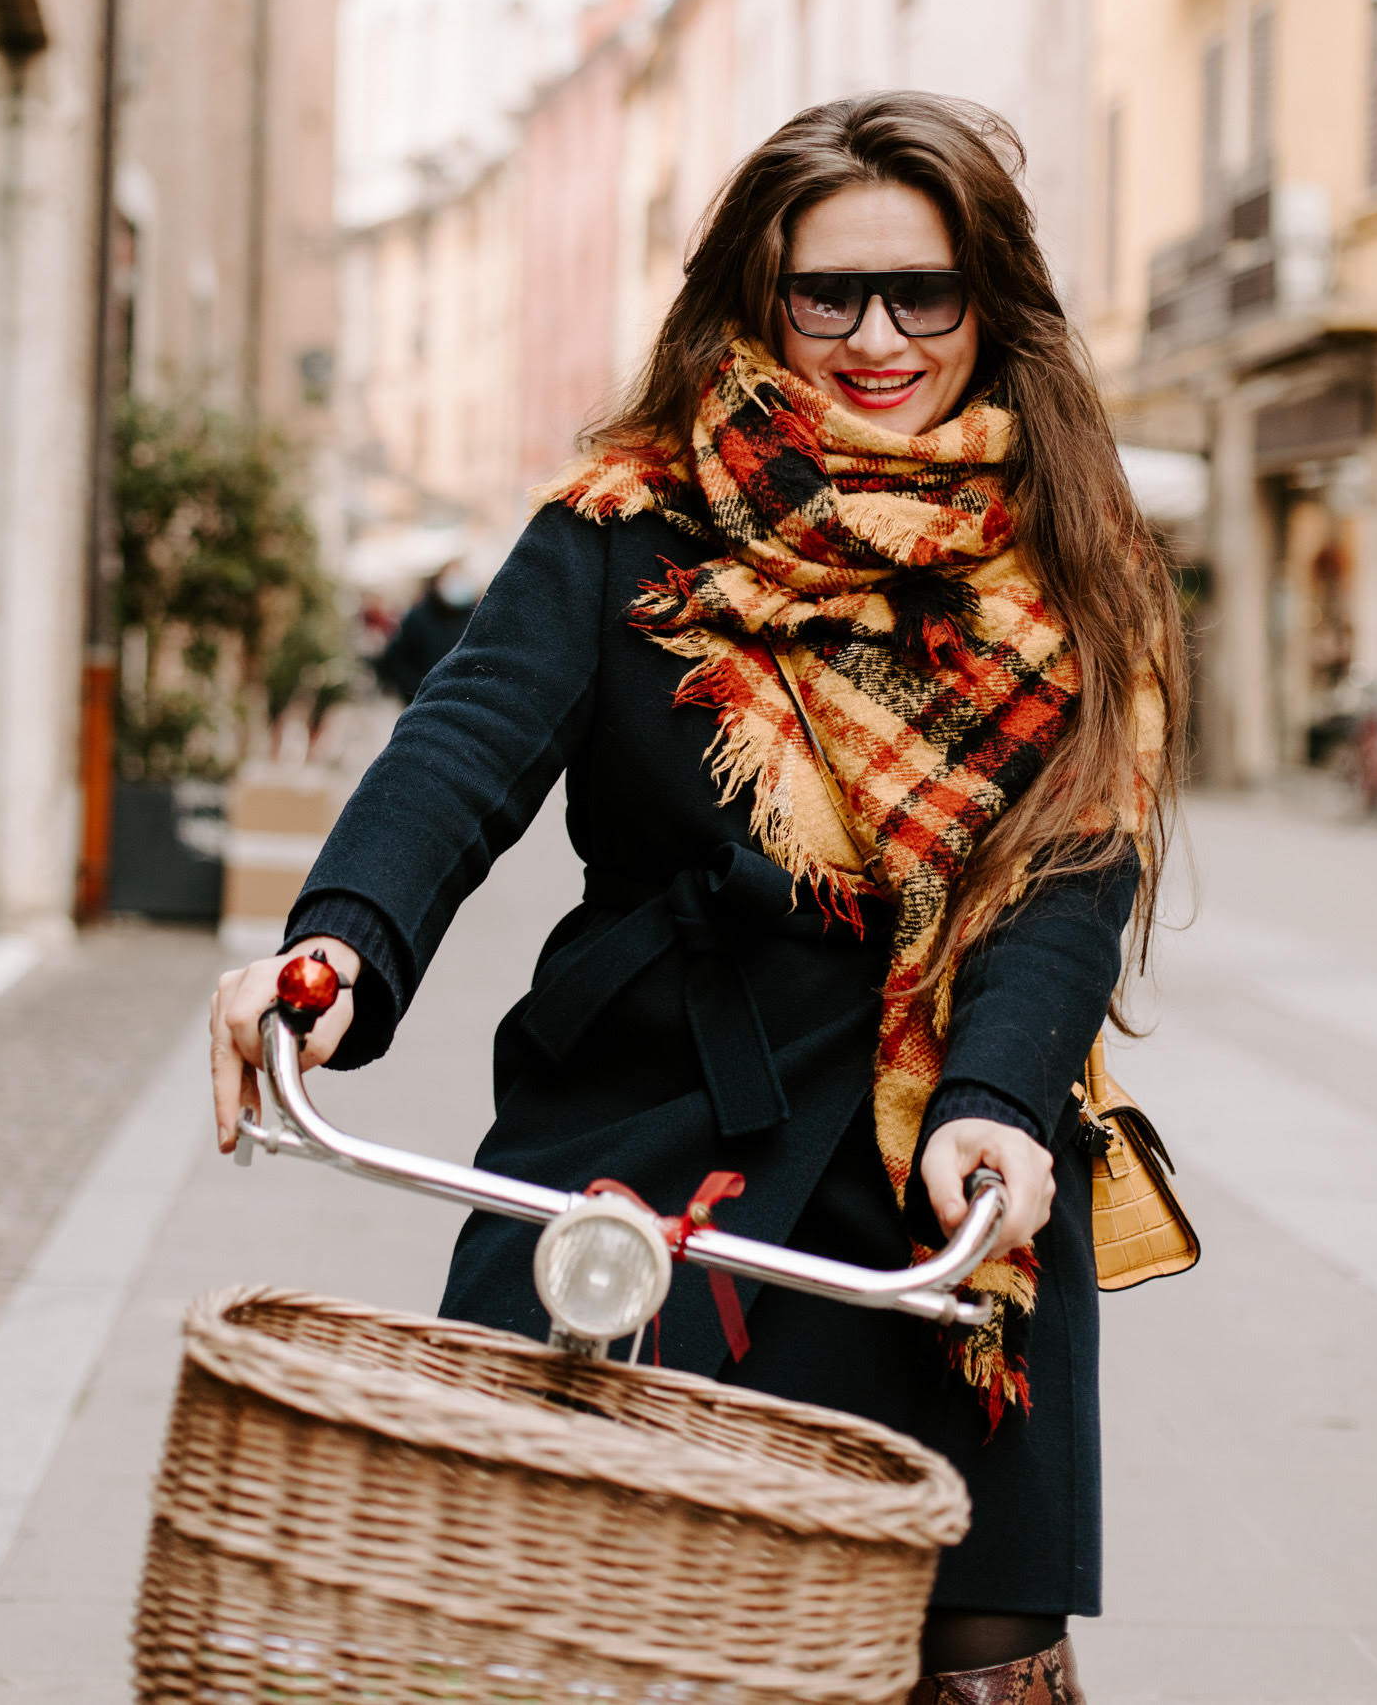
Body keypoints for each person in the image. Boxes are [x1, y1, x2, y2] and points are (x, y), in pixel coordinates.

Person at [211, 93, 1182, 1705]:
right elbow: (457, 750)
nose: (876, 335)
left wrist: (1000, 1100)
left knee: (973, 1647)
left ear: (984, 302)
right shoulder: (624, 520)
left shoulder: (1071, 565)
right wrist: (335, 949)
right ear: (758, 298)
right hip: (644, 1136)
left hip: (940, 1166)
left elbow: (1067, 877)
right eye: (828, 293)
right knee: (543, 1603)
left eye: (920, 293)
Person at [372, 563, 477, 705]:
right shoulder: (418, 617)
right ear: (438, 582)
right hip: (427, 704)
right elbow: (396, 659)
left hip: (465, 701)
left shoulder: (472, 615)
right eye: (452, 578)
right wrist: (417, 690)